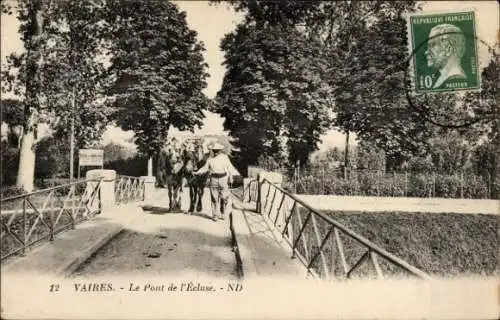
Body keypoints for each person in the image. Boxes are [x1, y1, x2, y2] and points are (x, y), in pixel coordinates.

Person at [193, 142, 234, 221]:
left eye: (217, 150)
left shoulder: (225, 157)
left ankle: (223, 213)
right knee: (214, 198)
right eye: (214, 150)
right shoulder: (210, 159)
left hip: (223, 179)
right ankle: (215, 215)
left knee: (224, 197)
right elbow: (205, 168)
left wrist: (231, 176)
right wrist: (197, 172)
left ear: (220, 151)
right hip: (214, 179)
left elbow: (230, 167)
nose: (215, 152)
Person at [425, 23, 467, 89]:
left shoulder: (455, 78)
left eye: (432, 45)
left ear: (448, 49)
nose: (426, 52)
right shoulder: (443, 78)